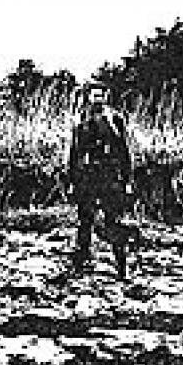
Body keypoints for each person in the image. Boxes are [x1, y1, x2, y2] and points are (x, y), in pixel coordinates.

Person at [68, 82, 133, 280]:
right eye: (93, 95)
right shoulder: (81, 120)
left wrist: (127, 180)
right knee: (85, 221)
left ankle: (121, 267)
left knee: (113, 221)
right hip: (87, 177)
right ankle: (81, 264)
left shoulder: (115, 119)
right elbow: (74, 153)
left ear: (106, 97)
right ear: (88, 97)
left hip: (109, 177)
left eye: (101, 95)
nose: (97, 99)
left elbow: (124, 152)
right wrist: (72, 180)